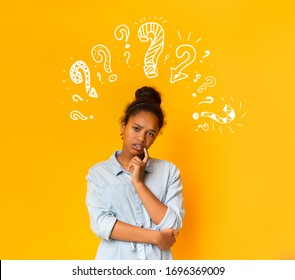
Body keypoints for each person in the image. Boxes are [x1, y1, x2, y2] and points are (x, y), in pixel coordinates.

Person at [86, 86, 184, 260]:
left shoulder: (169, 172)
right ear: (123, 127)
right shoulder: (98, 174)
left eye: (150, 133)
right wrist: (156, 237)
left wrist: (138, 183)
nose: (141, 138)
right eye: (136, 129)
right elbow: (102, 225)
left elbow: (172, 223)